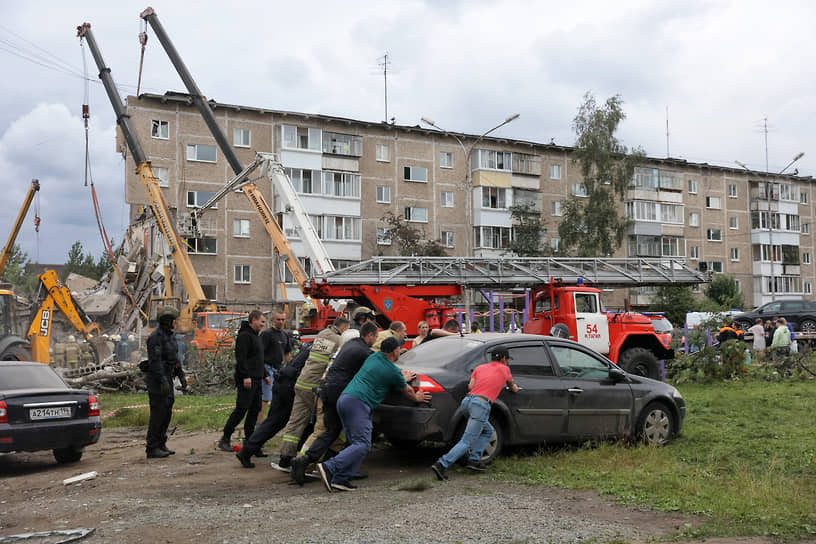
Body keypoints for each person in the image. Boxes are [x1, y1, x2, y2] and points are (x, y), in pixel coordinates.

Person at [316, 337, 431, 492]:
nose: (401, 350)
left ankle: (341, 479)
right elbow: (407, 390)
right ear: (394, 351)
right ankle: (329, 467)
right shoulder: (392, 371)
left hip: (345, 400)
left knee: (355, 443)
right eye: (399, 348)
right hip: (358, 404)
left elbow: (386, 373)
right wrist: (417, 397)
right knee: (362, 444)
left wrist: (400, 375)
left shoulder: (374, 357)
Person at [290, 321, 380, 485]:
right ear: (370, 335)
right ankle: (343, 469)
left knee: (331, 431)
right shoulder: (363, 351)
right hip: (341, 393)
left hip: (327, 390)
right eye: (375, 337)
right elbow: (376, 369)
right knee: (352, 433)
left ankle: (304, 461)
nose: (375, 340)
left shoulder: (350, 345)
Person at [431, 347, 519, 480]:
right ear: (503, 359)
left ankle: (474, 460)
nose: (507, 363)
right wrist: (514, 388)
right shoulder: (505, 369)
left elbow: (471, 387)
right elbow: (512, 386)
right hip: (481, 405)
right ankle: (442, 464)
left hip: (467, 402)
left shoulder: (480, 367)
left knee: (487, 431)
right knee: (467, 441)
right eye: (507, 360)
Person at [275, 317, 350, 471]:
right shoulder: (339, 339)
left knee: (295, 421)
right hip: (314, 386)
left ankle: (285, 458)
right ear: (343, 328)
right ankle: (317, 459)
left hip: (301, 382)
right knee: (323, 425)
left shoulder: (322, 334)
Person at [235, 343, 312, 468]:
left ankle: (250, 450)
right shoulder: (327, 347)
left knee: (274, 421)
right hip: (288, 385)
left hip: (282, 381)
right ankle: (247, 451)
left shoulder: (312, 345)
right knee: (281, 422)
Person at [217, 310, 269, 452]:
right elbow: (241, 358)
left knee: (255, 410)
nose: (263, 325)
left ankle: (250, 441)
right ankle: (225, 438)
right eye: (262, 322)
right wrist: (245, 376)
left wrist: (265, 375)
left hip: (257, 379)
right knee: (241, 410)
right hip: (247, 380)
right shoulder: (245, 336)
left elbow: (258, 358)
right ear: (253, 320)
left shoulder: (256, 336)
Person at [145, 306, 181, 458]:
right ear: (167, 321)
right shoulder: (156, 338)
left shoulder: (170, 336)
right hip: (157, 380)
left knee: (166, 413)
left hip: (168, 377)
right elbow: (155, 362)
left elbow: (174, 358)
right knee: (158, 414)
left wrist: (181, 375)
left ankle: (161, 443)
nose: (176, 323)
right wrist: (162, 381)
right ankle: (152, 447)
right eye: (174, 320)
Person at [258, 311, 292, 425]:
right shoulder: (267, 334)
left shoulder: (284, 335)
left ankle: (270, 423)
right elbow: (260, 354)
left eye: (283, 319)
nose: (281, 322)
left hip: (279, 370)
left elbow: (287, 354)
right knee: (265, 398)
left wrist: (292, 368)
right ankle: (257, 425)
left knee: (277, 399)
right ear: (273, 319)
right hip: (267, 368)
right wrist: (264, 374)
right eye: (278, 319)